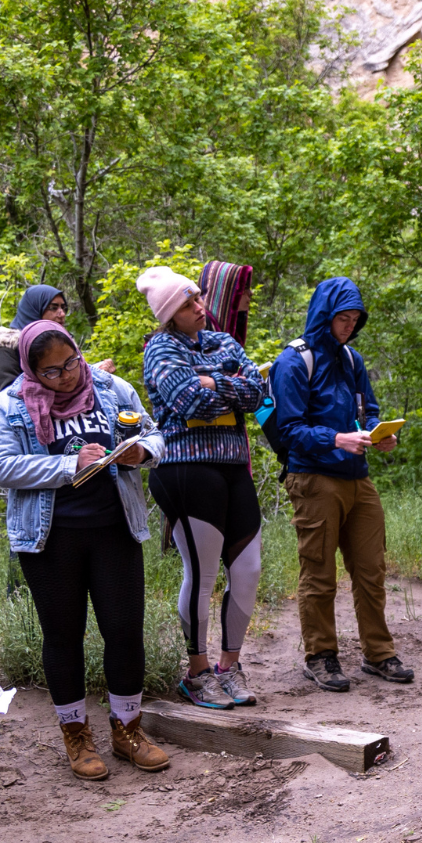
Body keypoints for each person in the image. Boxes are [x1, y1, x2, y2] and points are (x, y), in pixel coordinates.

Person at [0, 320, 170, 779]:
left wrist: (140, 453)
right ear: (32, 370)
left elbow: (153, 432)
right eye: (51, 372)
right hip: (50, 538)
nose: (66, 375)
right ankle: (76, 734)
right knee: (63, 637)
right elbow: (3, 465)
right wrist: (71, 464)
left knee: (125, 631)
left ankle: (128, 730)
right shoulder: (9, 405)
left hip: (114, 529)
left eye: (72, 362)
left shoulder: (110, 386)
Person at [268, 278, 413, 692]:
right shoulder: (293, 362)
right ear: (324, 316)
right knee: (319, 573)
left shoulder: (352, 360)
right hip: (314, 479)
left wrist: (376, 431)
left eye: (354, 320)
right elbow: (290, 428)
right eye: (342, 319)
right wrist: (336, 439)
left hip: (357, 478)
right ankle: (321, 656)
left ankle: (379, 653)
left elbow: (369, 408)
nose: (348, 326)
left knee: (371, 570)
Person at [138, 266, 266, 709]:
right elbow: (190, 399)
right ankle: (197, 671)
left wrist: (215, 382)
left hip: (233, 466)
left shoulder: (223, 341)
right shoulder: (159, 348)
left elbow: (258, 393)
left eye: (198, 298)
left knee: (247, 569)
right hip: (186, 469)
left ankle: (230, 666)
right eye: (188, 303)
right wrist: (223, 385)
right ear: (169, 315)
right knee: (204, 574)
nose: (199, 306)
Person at [0, 284, 68, 397]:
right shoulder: (7, 347)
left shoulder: (64, 345)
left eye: (63, 308)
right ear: (34, 310)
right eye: (53, 307)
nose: (62, 314)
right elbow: (9, 396)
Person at [198, 259, 253, 347]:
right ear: (225, 291)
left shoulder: (235, 323)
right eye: (244, 288)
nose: (251, 293)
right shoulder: (200, 324)